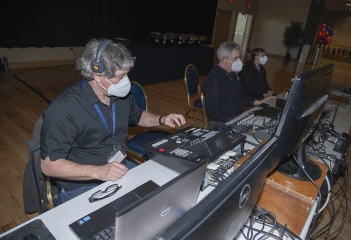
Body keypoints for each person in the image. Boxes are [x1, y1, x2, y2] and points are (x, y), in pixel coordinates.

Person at [40, 39, 186, 205]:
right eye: (121, 76)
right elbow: (49, 166)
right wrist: (98, 172)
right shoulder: (63, 109)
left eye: (127, 74)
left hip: (120, 166)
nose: (126, 81)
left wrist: (162, 119)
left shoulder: (120, 94)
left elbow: (137, 116)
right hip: (82, 182)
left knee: (163, 196)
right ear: (97, 75)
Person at [201, 42, 273, 131]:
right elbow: (213, 112)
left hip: (238, 116)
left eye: (239, 57)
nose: (239, 61)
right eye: (235, 58)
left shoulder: (232, 75)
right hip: (224, 121)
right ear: (224, 60)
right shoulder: (214, 80)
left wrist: (257, 102)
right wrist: (235, 121)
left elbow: (240, 96)